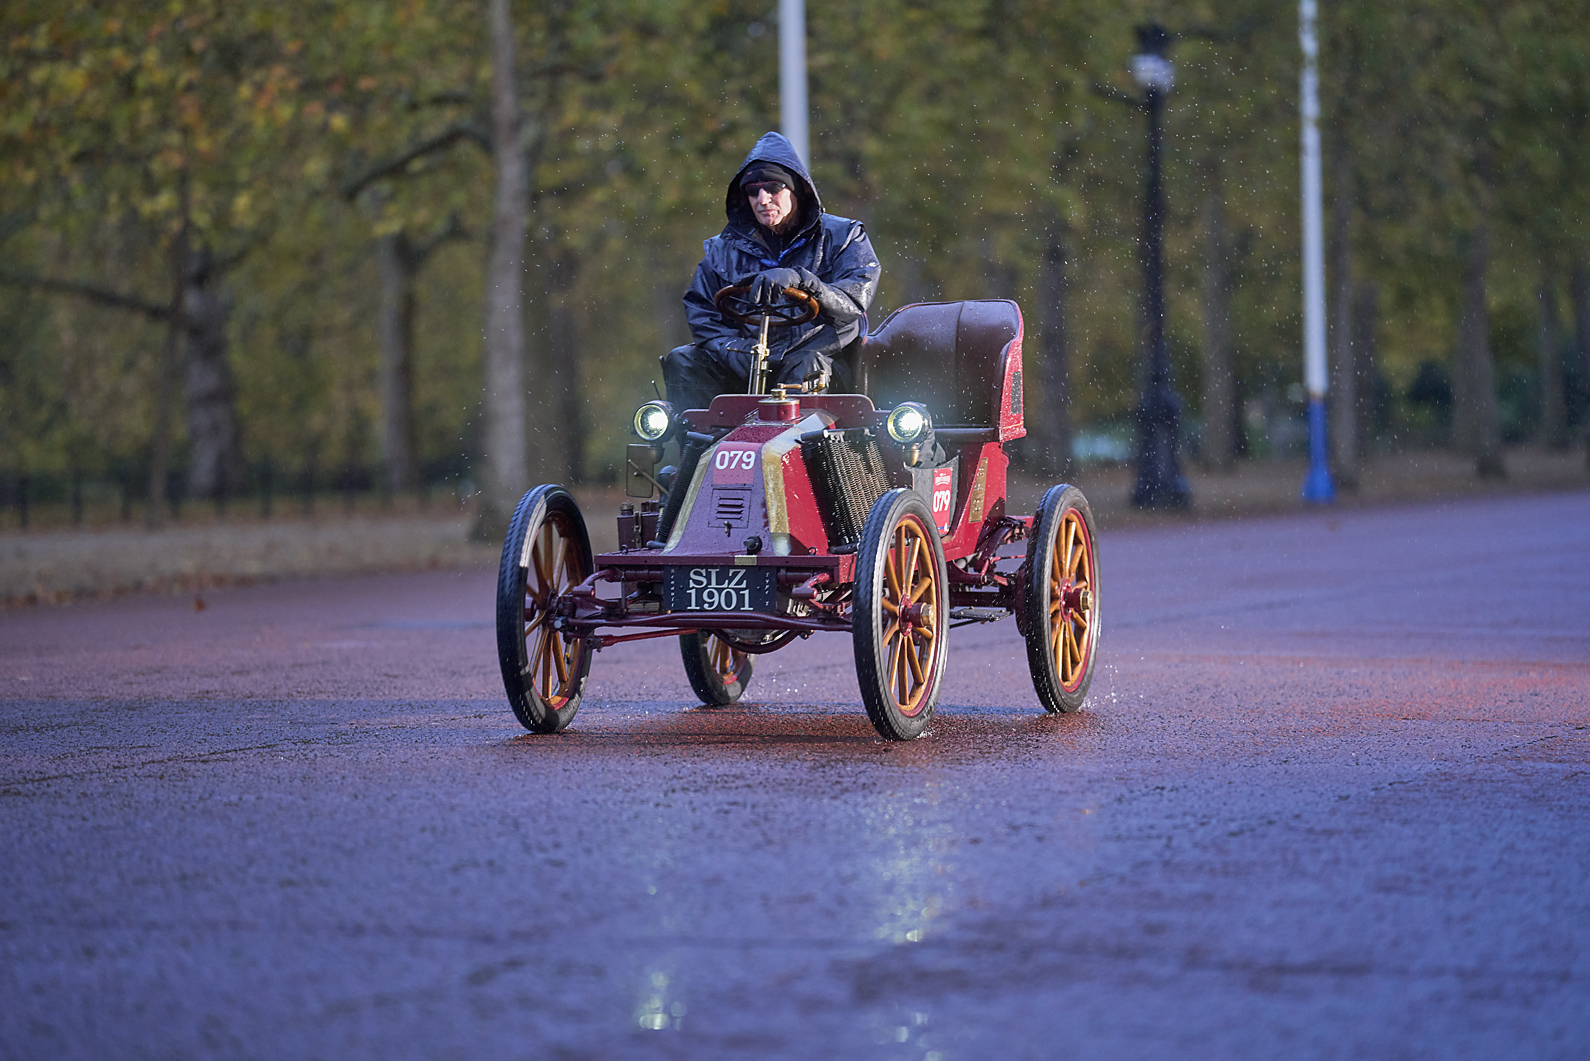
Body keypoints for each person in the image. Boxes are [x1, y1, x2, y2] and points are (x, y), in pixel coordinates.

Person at [663, 131, 880, 411]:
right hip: (743, 364)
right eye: (752, 190)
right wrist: (735, 349)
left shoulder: (844, 237)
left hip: (819, 361)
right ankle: (702, 439)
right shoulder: (721, 250)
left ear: (797, 190)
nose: (762, 199)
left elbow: (853, 301)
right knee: (682, 359)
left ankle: (798, 440)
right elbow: (702, 313)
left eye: (773, 187)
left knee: (808, 365)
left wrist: (804, 281)